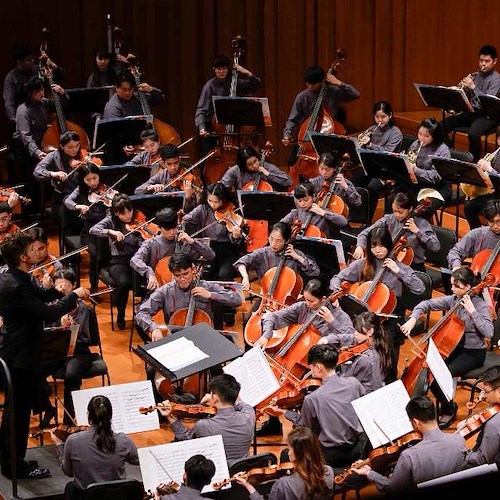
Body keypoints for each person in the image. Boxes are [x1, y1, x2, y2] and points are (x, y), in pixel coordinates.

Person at [0, 232, 88, 480]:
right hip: (20, 356)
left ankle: (8, 459)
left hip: (19, 352)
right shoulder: (15, 284)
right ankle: (13, 466)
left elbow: (39, 297)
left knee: (15, 411)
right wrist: (73, 296)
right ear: (21, 256)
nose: (36, 253)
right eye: (31, 250)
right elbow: (45, 314)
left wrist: (55, 290)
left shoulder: (15, 276)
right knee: (17, 414)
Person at [400, 266, 493, 429]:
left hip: (473, 352)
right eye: (452, 284)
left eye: (456, 286)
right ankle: (443, 403)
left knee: (438, 377)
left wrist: (472, 311)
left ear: (468, 288)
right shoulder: (453, 300)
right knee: (430, 370)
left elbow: (489, 332)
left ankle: (450, 408)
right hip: (453, 347)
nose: (452, 288)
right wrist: (413, 319)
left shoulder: (479, 305)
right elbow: (426, 304)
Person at [330, 226, 426, 383]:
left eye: (381, 245)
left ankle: (388, 383)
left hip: (389, 320)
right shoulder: (364, 263)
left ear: (389, 245)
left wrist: (398, 271)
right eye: (373, 246)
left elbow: (420, 288)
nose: (378, 250)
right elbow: (336, 278)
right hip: (364, 316)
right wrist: (336, 290)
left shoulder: (399, 266)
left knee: (385, 352)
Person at [273, 344, 366, 468]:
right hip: (357, 450)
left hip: (330, 456)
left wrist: (285, 413)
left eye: (310, 367)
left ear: (318, 367)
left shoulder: (313, 398)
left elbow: (305, 430)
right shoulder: (354, 384)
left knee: (286, 454)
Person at [351, 396, 467, 496]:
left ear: (415, 422)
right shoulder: (458, 441)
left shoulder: (409, 456)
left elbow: (392, 489)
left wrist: (369, 472)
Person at [135, 252, 242, 339]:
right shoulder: (165, 291)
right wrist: (153, 328)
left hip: (204, 340)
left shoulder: (206, 286)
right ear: (172, 274)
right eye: (178, 276)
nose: (182, 279)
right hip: (175, 341)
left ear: (193, 269)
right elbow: (142, 313)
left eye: (186, 273)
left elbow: (237, 299)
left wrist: (210, 295)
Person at [51, 394, 139, 499]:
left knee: (70, 487)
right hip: (116, 496)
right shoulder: (124, 440)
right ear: (110, 416)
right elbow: (138, 460)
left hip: (87, 497)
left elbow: (68, 472)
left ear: (88, 416)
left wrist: (59, 445)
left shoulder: (73, 441)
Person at [158, 374, 255, 465]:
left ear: (216, 397)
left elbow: (183, 437)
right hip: (241, 470)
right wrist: (215, 398)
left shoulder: (204, 426)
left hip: (214, 473)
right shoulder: (249, 414)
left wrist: (169, 416)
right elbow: (239, 401)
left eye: (211, 393)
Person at [12, 76, 67, 210]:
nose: (42, 93)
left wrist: (62, 93)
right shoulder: (23, 110)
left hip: (41, 141)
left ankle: (52, 200)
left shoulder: (42, 102)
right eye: (38, 91)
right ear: (30, 93)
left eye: (42, 89)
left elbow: (60, 106)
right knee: (33, 175)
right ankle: (34, 207)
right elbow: (26, 136)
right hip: (23, 146)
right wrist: (37, 152)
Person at [89, 193, 144, 329]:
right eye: (123, 213)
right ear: (116, 212)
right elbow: (93, 230)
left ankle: (143, 315)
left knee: (148, 280)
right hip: (118, 261)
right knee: (124, 283)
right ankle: (121, 313)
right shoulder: (111, 220)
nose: (128, 215)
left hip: (137, 259)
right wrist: (111, 232)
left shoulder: (138, 218)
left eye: (129, 211)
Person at [236, 426, 334, 500]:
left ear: (298, 453)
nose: (288, 452)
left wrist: (248, 486)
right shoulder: (329, 472)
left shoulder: (285, 484)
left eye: (289, 448)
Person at [131, 208, 215, 293]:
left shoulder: (184, 242)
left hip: (186, 291)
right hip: (160, 290)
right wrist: (149, 273)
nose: (172, 232)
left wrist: (192, 241)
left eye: (174, 228)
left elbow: (210, 255)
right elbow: (135, 260)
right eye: (167, 229)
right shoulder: (150, 244)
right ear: (159, 228)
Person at [352, 191, 440, 272]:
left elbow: (435, 247)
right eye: (394, 211)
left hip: (412, 268)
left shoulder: (421, 224)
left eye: (400, 212)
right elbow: (365, 233)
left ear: (410, 209)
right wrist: (360, 246)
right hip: (388, 262)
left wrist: (417, 231)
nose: (396, 215)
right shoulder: (389, 219)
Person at [258, 278, 355, 350]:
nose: (307, 304)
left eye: (311, 301)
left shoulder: (340, 316)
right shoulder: (302, 307)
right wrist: (266, 334)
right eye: (305, 299)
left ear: (323, 299)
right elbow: (272, 316)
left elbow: (352, 338)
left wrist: (332, 321)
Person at [441, 45, 500, 161]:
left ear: (495, 62)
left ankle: (474, 161)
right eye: (481, 60)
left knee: (473, 134)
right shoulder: (475, 75)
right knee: (441, 126)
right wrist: (458, 92)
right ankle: (450, 154)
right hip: (472, 112)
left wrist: (473, 87)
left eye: (487, 61)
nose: (483, 64)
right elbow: (468, 97)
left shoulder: (497, 79)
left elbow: (487, 101)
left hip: (488, 116)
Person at [282, 65, 360, 146]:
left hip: (329, 135)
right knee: (293, 158)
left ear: (322, 81)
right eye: (308, 83)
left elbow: (355, 94)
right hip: (307, 137)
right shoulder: (302, 97)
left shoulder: (332, 91)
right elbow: (292, 119)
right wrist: (287, 135)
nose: (310, 87)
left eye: (314, 84)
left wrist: (338, 83)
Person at [64, 162, 111, 293]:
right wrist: (77, 206)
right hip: (89, 231)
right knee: (96, 256)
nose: (92, 182)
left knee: (107, 255)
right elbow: (68, 201)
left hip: (104, 230)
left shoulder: (107, 189)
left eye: (95, 178)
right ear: (83, 180)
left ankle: (109, 282)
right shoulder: (80, 190)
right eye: (88, 179)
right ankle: (94, 287)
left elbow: (111, 211)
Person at [352, 101, 403, 220]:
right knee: (353, 182)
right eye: (377, 117)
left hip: (387, 169)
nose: (380, 120)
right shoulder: (372, 129)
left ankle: (367, 219)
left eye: (383, 117)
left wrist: (370, 145)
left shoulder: (396, 133)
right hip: (371, 166)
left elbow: (388, 152)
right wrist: (360, 145)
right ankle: (355, 216)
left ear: (390, 115)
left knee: (372, 187)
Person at [234, 221, 320, 292]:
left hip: (288, 299)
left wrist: (298, 257)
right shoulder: (263, 252)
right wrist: (245, 277)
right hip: (266, 297)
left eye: (278, 241)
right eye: (271, 238)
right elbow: (241, 262)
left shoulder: (295, 254)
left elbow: (315, 272)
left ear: (286, 241)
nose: (273, 244)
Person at [195, 54, 261, 140]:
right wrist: (202, 128)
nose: (221, 72)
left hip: (235, 128)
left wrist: (247, 73)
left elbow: (256, 85)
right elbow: (201, 109)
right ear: (214, 69)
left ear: (228, 69)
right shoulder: (209, 86)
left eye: (224, 69)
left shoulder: (234, 82)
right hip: (214, 130)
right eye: (218, 69)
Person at [3, 43, 63, 127]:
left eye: (32, 58)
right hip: (25, 117)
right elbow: (9, 105)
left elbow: (61, 76)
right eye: (28, 60)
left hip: (41, 115)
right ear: (19, 62)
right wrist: (17, 122)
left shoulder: (37, 70)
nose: (32, 61)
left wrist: (53, 65)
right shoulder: (11, 78)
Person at [405, 117, 451, 219]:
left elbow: (436, 176)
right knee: (397, 199)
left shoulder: (442, 150)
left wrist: (416, 170)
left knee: (423, 209)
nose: (421, 138)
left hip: (438, 187)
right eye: (420, 134)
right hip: (419, 183)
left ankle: (423, 233)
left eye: (426, 136)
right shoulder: (415, 144)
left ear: (435, 136)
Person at [134, 143, 201, 213]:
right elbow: (137, 191)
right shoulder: (162, 175)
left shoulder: (189, 176)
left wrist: (188, 198)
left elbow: (193, 210)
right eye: (169, 164)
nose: (173, 167)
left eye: (176, 163)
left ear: (179, 159)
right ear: (163, 163)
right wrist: (150, 187)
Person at [337, 311, 391, 393]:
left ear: (370, 332)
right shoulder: (380, 343)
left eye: (358, 331)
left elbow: (347, 381)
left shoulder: (366, 359)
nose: (355, 334)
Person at [281, 181, 348, 239]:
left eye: (306, 200)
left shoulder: (322, 210)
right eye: (299, 201)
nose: (302, 204)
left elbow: (344, 222)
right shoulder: (297, 212)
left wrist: (323, 212)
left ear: (313, 197)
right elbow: (280, 225)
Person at [464, 125, 500, 229]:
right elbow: (489, 180)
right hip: (495, 193)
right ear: (498, 140)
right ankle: (478, 234)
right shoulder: (496, 153)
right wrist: (479, 169)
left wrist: (489, 169)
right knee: (469, 207)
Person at [463, 366, 500, 467]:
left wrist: (461, 455)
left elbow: (482, 459)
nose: (483, 395)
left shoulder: (494, 425)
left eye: (486, 391)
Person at [448, 198, 500, 270]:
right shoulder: (478, 234)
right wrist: (456, 267)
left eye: (498, 221)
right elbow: (455, 252)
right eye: (491, 222)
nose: (495, 226)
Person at [220, 146, 292, 192]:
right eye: (249, 165)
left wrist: (269, 174)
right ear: (243, 166)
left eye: (255, 161)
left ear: (258, 158)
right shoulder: (236, 170)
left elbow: (288, 181)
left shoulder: (267, 167)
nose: (254, 166)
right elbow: (222, 186)